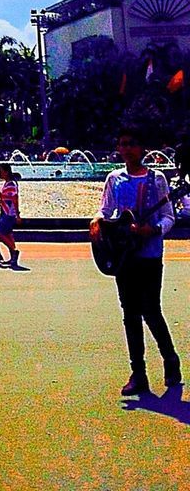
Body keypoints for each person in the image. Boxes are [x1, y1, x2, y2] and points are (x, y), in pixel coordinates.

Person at [90, 125, 181, 396]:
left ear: (142, 148)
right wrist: (96, 221)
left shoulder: (157, 179)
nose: (127, 149)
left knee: (151, 310)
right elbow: (106, 209)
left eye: (132, 143)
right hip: (124, 256)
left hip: (149, 255)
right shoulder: (114, 179)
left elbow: (168, 216)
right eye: (123, 144)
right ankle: (138, 373)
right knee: (130, 314)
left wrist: (152, 230)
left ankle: (170, 360)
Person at [0, 163, 21, 268]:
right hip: (5, 212)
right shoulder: (8, 183)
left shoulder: (11, 184)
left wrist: (17, 214)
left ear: (6, 171)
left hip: (9, 213)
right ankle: (12, 256)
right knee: (8, 234)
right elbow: (6, 196)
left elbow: (14, 198)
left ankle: (14, 251)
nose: (0, 174)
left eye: (1, 171)